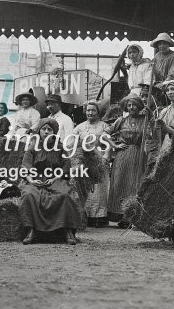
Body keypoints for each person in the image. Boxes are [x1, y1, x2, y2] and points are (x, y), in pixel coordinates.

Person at [19, 118, 83, 245]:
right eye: (44, 129)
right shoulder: (32, 147)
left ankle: (68, 231)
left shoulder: (60, 148)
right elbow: (25, 167)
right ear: (39, 132)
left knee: (65, 195)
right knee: (29, 195)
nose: (46, 132)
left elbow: (65, 169)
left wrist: (53, 178)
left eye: (50, 129)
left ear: (54, 132)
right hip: (35, 178)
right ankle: (31, 230)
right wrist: (32, 180)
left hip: (55, 179)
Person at [106, 93, 155, 227]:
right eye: (129, 105)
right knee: (120, 183)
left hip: (139, 154)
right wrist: (114, 145)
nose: (132, 107)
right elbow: (105, 134)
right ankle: (120, 215)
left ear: (139, 105)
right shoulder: (121, 121)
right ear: (126, 107)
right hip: (122, 156)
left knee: (135, 184)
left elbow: (155, 131)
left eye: (134, 105)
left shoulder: (144, 120)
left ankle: (133, 217)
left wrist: (150, 116)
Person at [70, 100, 111, 228]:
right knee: (85, 186)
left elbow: (108, 143)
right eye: (88, 110)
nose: (90, 113)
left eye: (93, 110)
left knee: (99, 187)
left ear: (98, 112)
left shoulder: (104, 126)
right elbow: (71, 142)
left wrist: (105, 157)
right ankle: (85, 215)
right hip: (84, 158)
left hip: (98, 157)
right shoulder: (79, 127)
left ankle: (99, 217)